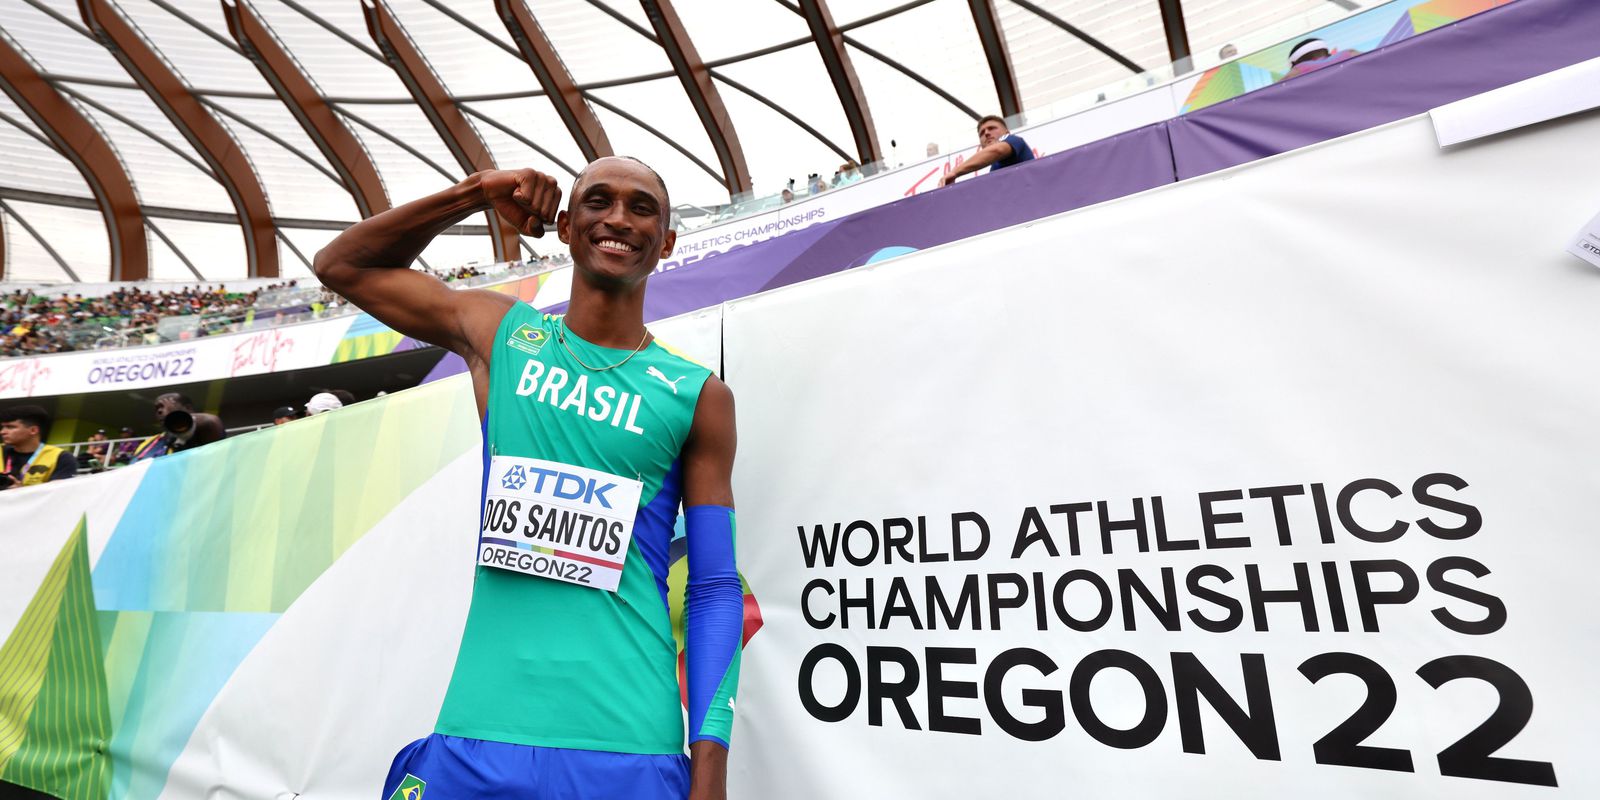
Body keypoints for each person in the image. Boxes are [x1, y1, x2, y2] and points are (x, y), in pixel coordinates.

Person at [313, 159, 743, 800]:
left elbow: (711, 591)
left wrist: (710, 779)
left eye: (642, 207)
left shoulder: (696, 396)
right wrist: (475, 192)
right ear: (567, 227)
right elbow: (342, 267)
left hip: (627, 746)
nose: (619, 218)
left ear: (668, 241)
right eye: (598, 202)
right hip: (477, 737)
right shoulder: (501, 334)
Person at [938, 114, 1034, 187]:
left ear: (1007, 133)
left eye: (992, 128)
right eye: (982, 133)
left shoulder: (1015, 140)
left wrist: (955, 172)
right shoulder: (993, 170)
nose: (987, 133)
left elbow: (997, 150)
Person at [1, 405, 78, 489]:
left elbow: (57, 495)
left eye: (10, 427)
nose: (2, 432)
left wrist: (22, 492)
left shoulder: (61, 457)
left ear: (33, 430)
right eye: (2, 427)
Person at [135, 393, 226, 461]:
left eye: (163, 406)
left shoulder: (200, 432)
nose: (159, 411)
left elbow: (211, 421)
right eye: (157, 408)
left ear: (188, 408)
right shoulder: (148, 443)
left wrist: (176, 416)